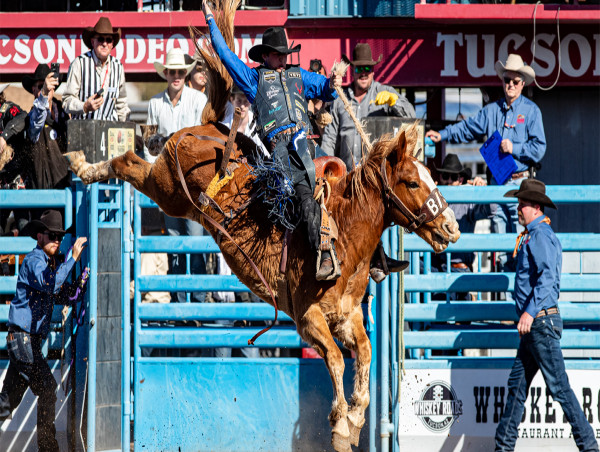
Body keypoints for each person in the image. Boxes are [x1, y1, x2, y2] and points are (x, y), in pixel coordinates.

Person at [203, 1, 342, 280]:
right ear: (266, 56)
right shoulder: (254, 79)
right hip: (282, 152)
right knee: (304, 195)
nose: (282, 59)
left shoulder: (298, 76)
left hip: (309, 144)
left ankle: (375, 257)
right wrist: (210, 22)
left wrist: (332, 83)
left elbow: (325, 90)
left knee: (343, 182)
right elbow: (226, 55)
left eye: (284, 54)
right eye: (278, 55)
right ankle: (323, 254)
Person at [494, 179, 598, 452]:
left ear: (536, 207)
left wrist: (529, 312)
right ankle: (502, 448)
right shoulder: (534, 235)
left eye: (522, 204)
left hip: (538, 322)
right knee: (517, 388)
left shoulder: (540, 235)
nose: (518, 208)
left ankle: (589, 446)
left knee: (558, 388)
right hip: (535, 325)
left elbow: (548, 277)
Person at [426, 54, 546, 276]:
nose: (510, 84)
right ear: (503, 82)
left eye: (515, 81)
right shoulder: (492, 111)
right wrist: (441, 135)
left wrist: (515, 147)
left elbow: (540, 148)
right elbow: (468, 127)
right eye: (507, 80)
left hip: (520, 185)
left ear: (522, 84)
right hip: (497, 184)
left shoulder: (531, 111)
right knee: (502, 248)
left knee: (521, 244)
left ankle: (517, 301)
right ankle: (506, 304)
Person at [0, 209, 88, 452]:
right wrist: (72, 259)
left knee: (6, 404)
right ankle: (48, 448)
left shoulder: (48, 264)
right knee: (48, 389)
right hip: (22, 340)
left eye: (60, 237)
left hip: (25, 343)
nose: (57, 240)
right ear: (39, 236)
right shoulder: (34, 261)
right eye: (52, 235)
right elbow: (52, 283)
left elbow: (64, 292)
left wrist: (79, 284)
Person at [148, 47, 208, 303]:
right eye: (172, 71)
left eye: (180, 72)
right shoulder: (154, 103)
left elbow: (201, 142)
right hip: (170, 185)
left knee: (194, 241)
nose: (176, 76)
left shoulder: (198, 100)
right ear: (167, 74)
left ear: (186, 74)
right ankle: (180, 301)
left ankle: (197, 298)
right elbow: (149, 148)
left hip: (193, 186)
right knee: (174, 242)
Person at [321, 42, 416, 171]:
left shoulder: (384, 92)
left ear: (373, 71)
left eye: (368, 69)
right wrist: (325, 167)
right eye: (359, 69)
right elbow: (329, 139)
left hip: (375, 177)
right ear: (352, 71)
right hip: (348, 176)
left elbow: (411, 116)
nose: (364, 73)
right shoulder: (339, 99)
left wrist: (394, 101)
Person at [430, 153, 495, 301]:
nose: (448, 181)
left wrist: (484, 190)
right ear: (440, 178)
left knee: (461, 318)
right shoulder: (434, 200)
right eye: (445, 176)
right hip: (437, 265)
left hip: (458, 267)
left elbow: (491, 210)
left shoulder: (467, 199)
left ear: (460, 180)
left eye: (453, 177)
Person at [63, 17, 130, 121]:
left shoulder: (118, 67)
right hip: (82, 131)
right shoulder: (79, 63)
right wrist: (84, 106)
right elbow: (67, 101)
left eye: (108, 40)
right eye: (100, 39)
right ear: (92, 42)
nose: (104, 43)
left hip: (109, 132)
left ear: (112, 44)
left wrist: (125, 128)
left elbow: (122, 105)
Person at [23, 63, 71, 190]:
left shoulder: (63, 114)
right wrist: (43, 94)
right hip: (42, 194)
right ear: (33, 89)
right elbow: (38, 116)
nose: (45, 90)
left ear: (54, 88)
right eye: (40, 86)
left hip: (65, 190)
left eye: (47, 87)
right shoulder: (31, 117)